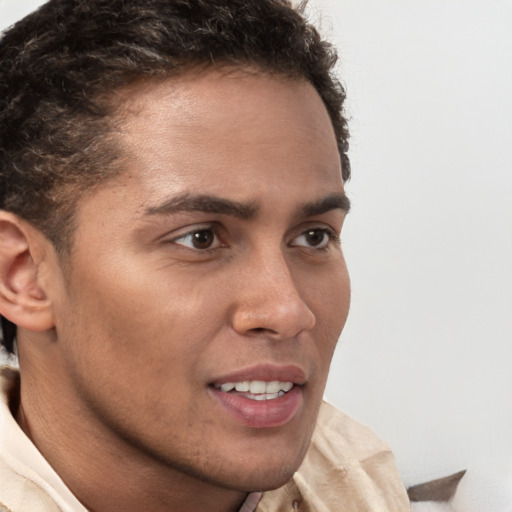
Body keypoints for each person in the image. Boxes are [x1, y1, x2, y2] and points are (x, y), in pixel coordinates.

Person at [0, 1, 410, 510]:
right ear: (22, 276)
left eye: (313, 237)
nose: (288, 311)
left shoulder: (359, 483)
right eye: (199, 239)